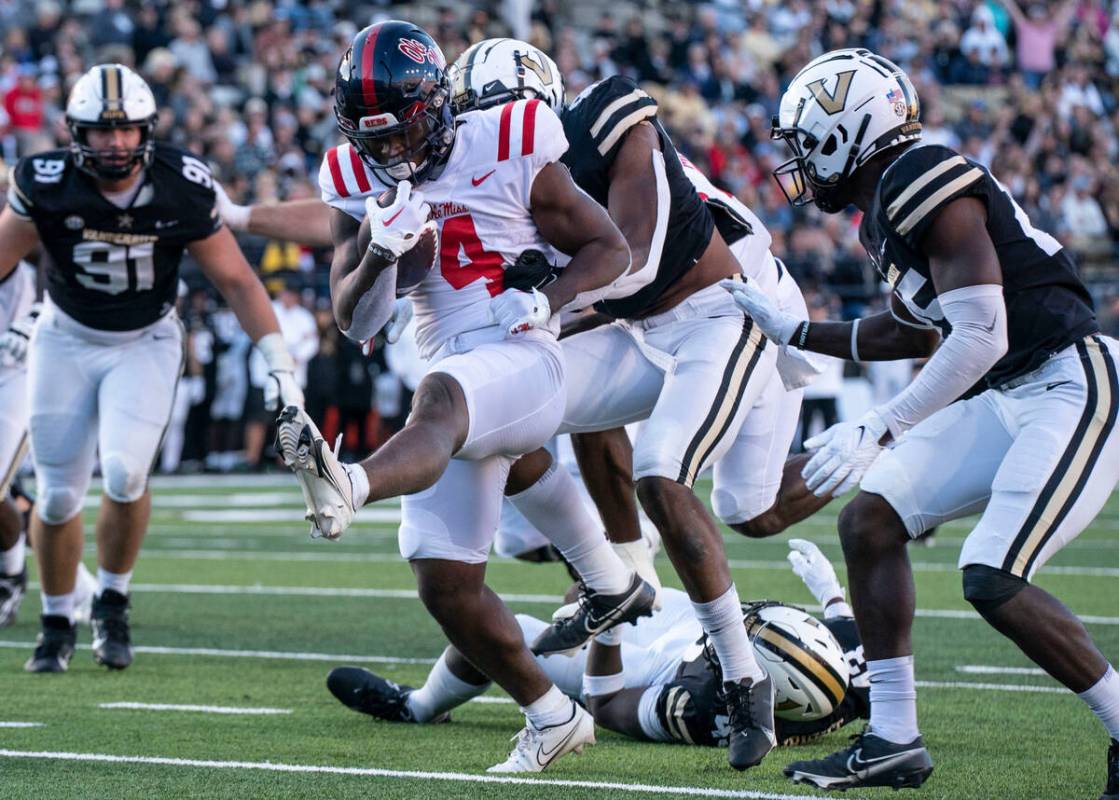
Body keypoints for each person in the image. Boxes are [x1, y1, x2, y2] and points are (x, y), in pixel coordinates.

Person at [727, 47, 1119, 794]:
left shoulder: (916, 177)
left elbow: (980, 335)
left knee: (992, 575)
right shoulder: (889, 207)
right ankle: (892, 739)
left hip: (1071, 377)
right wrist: (795, 331)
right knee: (868, 522)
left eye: (807, 142)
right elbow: (912, 332)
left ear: (846, 131)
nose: (801, 162)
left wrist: (882, 426)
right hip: (1013, 391)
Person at [276, 21, 641, 774]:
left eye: (407, 131)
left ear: (440, 103)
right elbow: (356, 320)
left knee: (439, 401)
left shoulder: (508, 134)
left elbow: (610, 247)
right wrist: (380, 249)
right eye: (378, 141)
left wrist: (551, 298)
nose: (396, 155)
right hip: (451, 367)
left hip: (521, 353)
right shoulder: (353, 175)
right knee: (442, 579)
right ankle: (550, 714)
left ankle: (350, 483)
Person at [0, 64, 304, 674]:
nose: (115, 143)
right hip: (63, 337)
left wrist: (280, 363)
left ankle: (112, 599)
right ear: (74, 131)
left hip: (145, 340)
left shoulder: (180, 184)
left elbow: (236, 279)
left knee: (123, 472)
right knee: (58, 497)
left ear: (147, 130)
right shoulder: (46, 181)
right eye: (101, 131)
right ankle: (57, 619)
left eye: (126, 130)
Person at [327, 540, 868, 749]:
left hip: (652, 670)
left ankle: (418, 706)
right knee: (601, 577)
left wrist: (606, 628)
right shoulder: (841, 687)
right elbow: (850, 649)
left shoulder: (701, 709)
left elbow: (607, 706)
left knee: (507, 632)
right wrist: (831, 594)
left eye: (752, 640)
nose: (747, 624)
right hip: (687, 631)